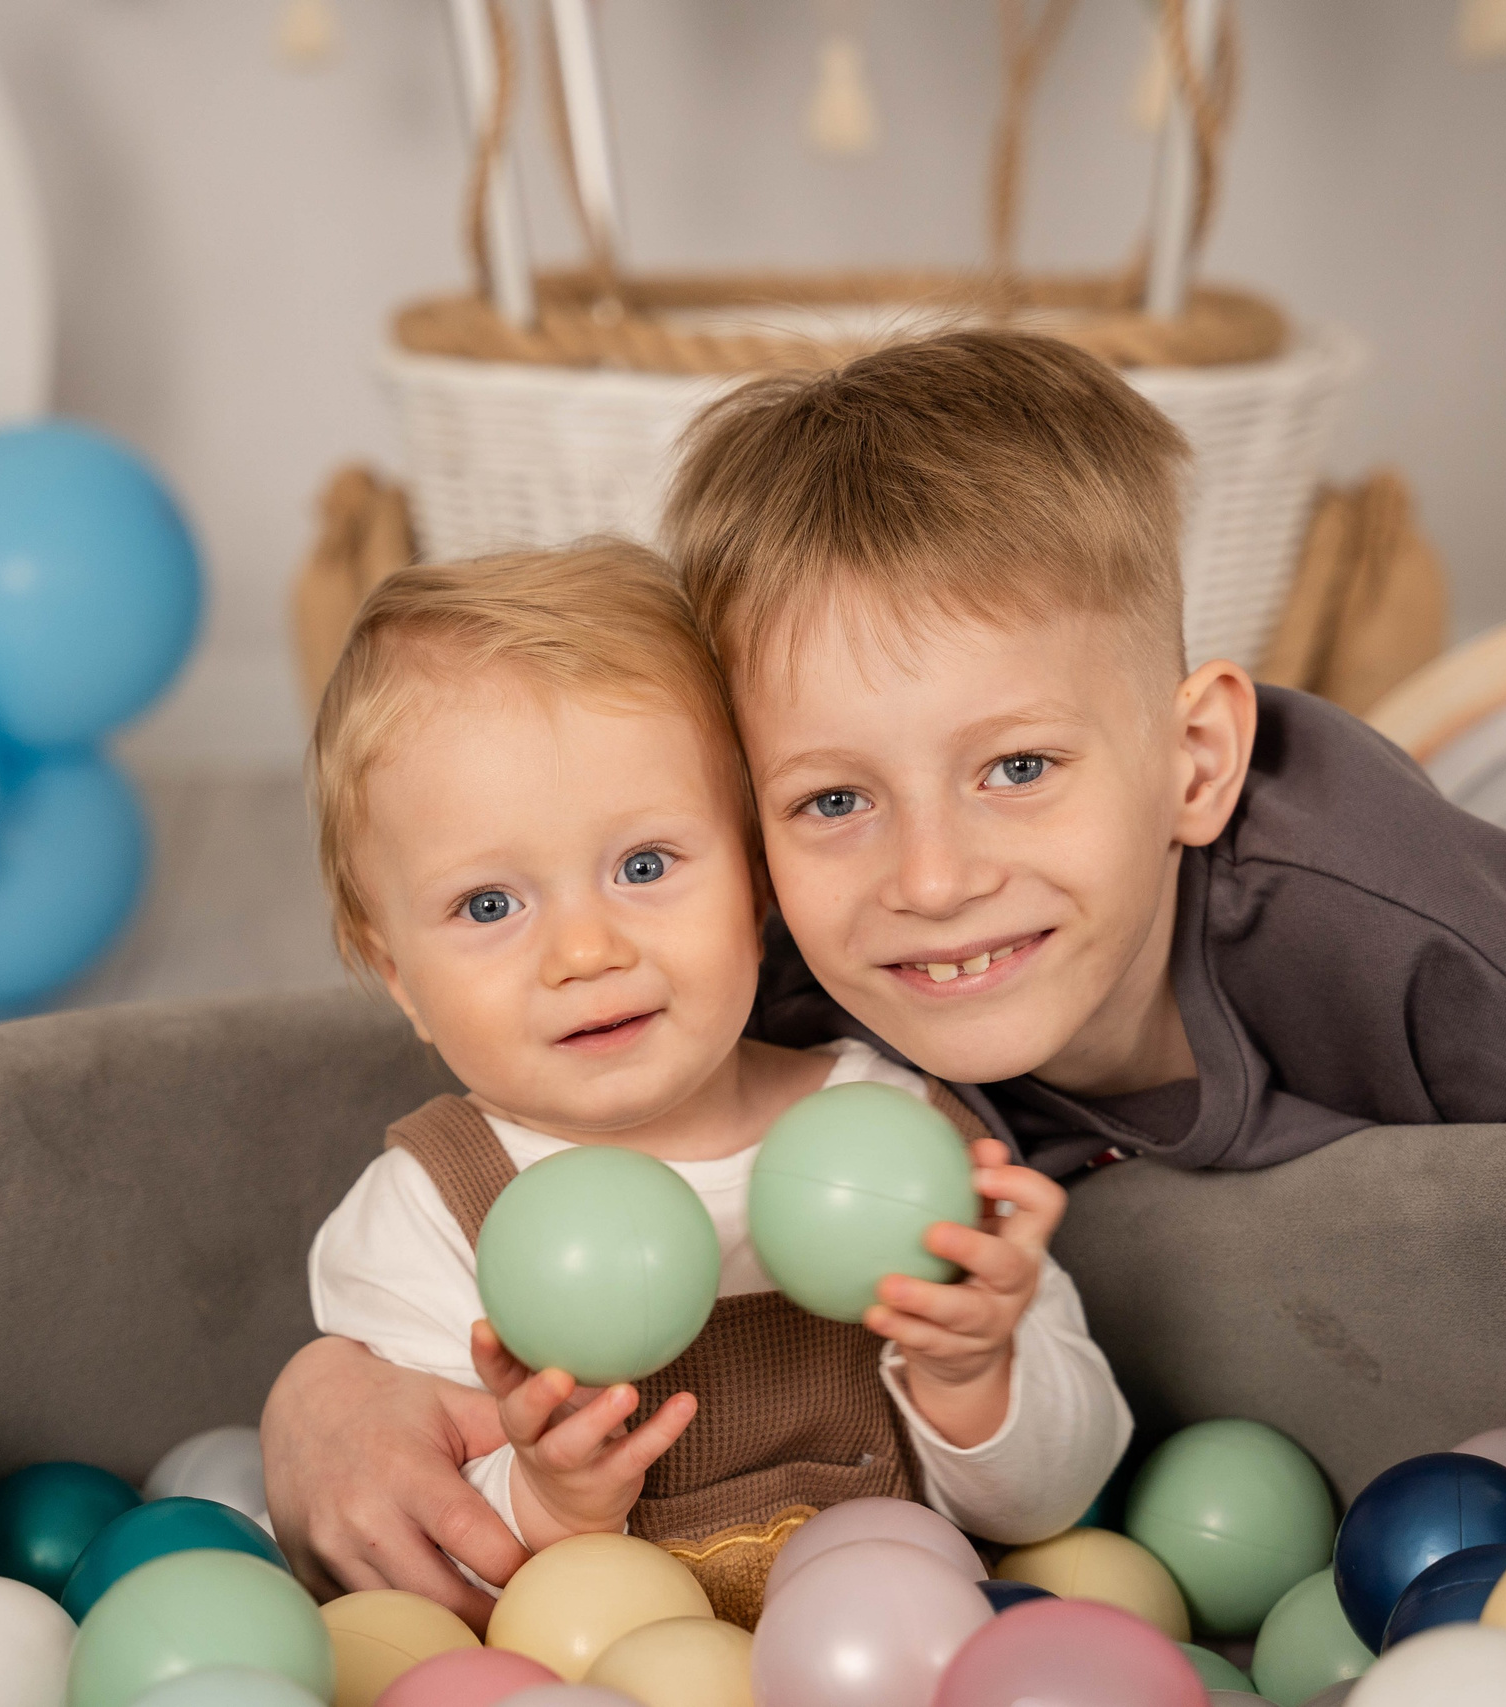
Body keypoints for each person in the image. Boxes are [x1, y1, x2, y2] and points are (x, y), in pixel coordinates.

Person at [264, 330, 1506, 1618]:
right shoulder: (756, 992)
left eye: (1018, 767)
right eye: (831, 799)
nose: (931, 878)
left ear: (1193, 759)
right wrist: (318, 1397)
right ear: (752, 844)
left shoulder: (1391, 931)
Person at [296, 541, 1130, 1626]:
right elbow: (407, 1574)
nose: (585, 951)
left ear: (757, 882)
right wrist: (546, 1501)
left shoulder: (897, 1134)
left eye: (644, 866)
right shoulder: (423, 1218)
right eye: (489, 905)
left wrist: (975, 1374)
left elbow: (1055, 1499)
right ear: (399, 975)